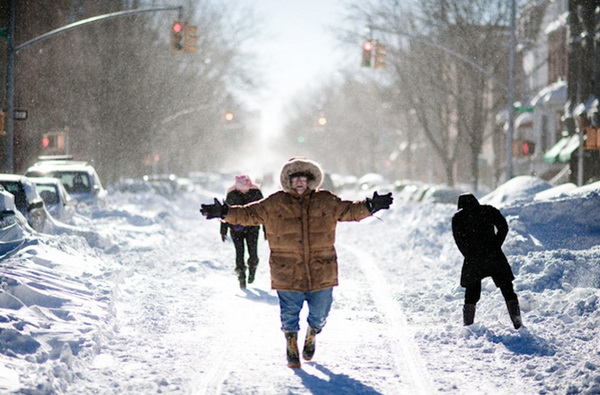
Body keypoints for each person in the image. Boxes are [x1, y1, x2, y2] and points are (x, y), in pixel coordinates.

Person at [200, 157, 393, 368]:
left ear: (311, 180)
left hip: (321, 268)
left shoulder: (326, 200)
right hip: (286, 268)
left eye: (304, 178)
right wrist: (225, 213)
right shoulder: (275, 202)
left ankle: (313, 333)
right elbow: (249, 214)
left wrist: (371, 205)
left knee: (321, 312)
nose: (299, 182)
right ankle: (291, 345)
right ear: (288, 181)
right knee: (289, 313)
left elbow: (349, 210)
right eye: (295, 178)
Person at [451, 193, 523, 329]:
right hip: (494, 256)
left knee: (471, 292)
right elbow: (504, 227)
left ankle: (468, 325)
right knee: (507, 289)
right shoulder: (488, 210)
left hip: (473, 259)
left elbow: (459, 240)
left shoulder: (458, 218)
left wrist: (469, 253)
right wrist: (496, 244)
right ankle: (517, 322)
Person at [220, 174, 264, 289]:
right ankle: (241, 276)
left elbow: (264, 211)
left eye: (246, 184)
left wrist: (266, 228)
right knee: (239, 252)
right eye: (241, 185)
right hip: (236, 229)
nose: (244, 188)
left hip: (252, 228)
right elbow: (225, 212)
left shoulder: (256, 193)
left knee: (253, 252)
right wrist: (223, 230)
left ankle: (252, 268)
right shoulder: (231, 194)